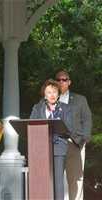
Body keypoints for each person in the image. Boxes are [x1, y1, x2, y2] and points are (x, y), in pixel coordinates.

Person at [30, 79, 72, 200]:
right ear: (44, 94)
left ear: (58, 94)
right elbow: (31, 125)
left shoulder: (65, 108)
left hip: (59, 148)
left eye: (54, 92)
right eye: (49, 92)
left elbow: (69, 128)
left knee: (58, 182)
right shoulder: (37, 108)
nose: (52, 95)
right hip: (41, 149)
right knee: (42, 180)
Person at [55, 70, 92, 200]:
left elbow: (87, 119)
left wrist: (85, 138)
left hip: (75, 142)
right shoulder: (50, 99)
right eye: (58, 79)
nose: (61, 82)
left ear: (69, 82)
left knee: (76, 179)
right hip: (56, 143)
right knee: (55, 178)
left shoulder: (80, 99)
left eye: (64, 79)